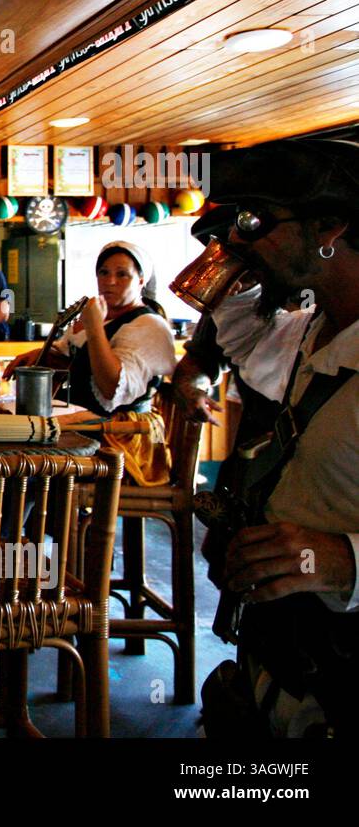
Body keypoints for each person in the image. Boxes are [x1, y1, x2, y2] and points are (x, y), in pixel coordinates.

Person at [194, 140, 359, 736]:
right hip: (285, 664)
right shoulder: (309, 336)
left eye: (253, 220)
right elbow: (240, 334)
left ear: (330, 226)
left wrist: (345, 561)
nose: (235, 241)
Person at [4, 239, 177, 487]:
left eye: (122, 275)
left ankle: (38, 522)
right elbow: (73, 362)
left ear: (141, 280)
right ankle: (26, 523)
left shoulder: (148, 327)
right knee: (22, 453)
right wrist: (40, 355)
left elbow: (111, 388)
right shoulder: (103, 318)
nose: (110, 281)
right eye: (104, 273)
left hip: (123, 439)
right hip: (90, 426)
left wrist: (94, 327)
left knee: (31, 464)